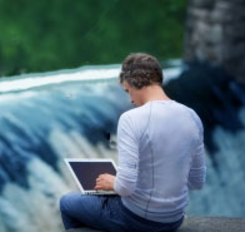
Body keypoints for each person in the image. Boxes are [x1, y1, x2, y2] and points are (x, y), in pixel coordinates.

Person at [60, 53, 206, 232]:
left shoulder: (131, 119)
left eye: (128, 90)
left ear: (137, 80)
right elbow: (197, 181)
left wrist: (113, 181)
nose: (130, 99)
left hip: (139, 219)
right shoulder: (192, 116)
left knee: (67, 202)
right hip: (174, 219)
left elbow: (125, 186)